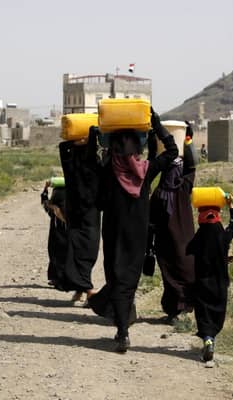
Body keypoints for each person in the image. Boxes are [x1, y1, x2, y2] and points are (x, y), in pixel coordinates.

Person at [88, 109, 179, 353]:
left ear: (115, 149)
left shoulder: (108, 171)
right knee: (129, 281)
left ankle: (122, 331)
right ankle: (121, 327)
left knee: (116, 278)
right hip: (138, 235)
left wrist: (92, 138)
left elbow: (91, 165)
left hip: (114, 233)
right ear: (136, 151)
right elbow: (172, 152)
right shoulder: (146, 171)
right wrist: (156, 127)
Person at [149, 121, 197, 323]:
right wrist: (188, 140)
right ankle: (180, 307)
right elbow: (192, 163)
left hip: (169, 235)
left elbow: (156, 161)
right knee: (180, 266)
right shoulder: (184, 183)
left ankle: (178, 308)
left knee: (175, 266)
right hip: (180, 233)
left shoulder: (161, 192)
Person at [186, 194, 233, 363]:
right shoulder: (222, 236)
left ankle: (207, 339)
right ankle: (212, 338)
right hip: (220, 285)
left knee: (203, 314)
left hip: (201, 284)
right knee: (216, 313)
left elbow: (189, 250)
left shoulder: (199, 236)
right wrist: (231, 206)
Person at [57, 133, 101, 302]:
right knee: (85, 252)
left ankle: (83, 289)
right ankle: (87, 289)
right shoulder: (91, 165)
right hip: (87, 215)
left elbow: (63, 147)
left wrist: (76, 141)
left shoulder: (71, 165)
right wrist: (90, 136)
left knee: (80, 252)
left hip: (80, 214)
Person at [40, 179, 68, 288]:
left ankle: (57, 279)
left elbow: (46, 204)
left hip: (57, 231)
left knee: (55, 253)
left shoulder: (54, 207)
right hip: (70, 232)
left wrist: (45, 190)